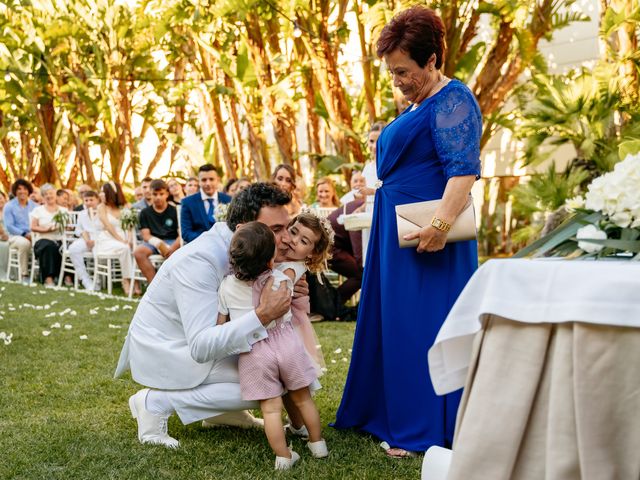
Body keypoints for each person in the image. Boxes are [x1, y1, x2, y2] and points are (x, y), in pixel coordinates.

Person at [333, 6, 482, 456]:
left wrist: (438, 227)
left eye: (403, 70)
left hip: (427, 237)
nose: (397, 80)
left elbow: (463, 173)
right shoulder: (420, 103)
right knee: (395, 323)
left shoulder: (453, 100)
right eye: (392, 71)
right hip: (395, 233)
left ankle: (421, 427)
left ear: (433, 59)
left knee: (421, 326)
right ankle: (386, 411)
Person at [114, 183, 310, 449]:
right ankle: (154, 403)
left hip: (197, 343)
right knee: (274, 374)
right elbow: (201, 345)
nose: (286, 238)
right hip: (169, 349)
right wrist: (263, 314)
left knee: (285, 359)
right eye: (276, 230)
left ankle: (224, 413)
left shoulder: (247, 249)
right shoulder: (200, 260)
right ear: (242, 228)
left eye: (286, 227)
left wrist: (285, 288)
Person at [216, 215, 332, 469]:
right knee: (301, 395)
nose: (292, 241)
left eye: (303, 241)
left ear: (311, 254)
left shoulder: (286, 270)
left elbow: (224, 322)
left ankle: (283, 456)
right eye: (293, 231)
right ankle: (317, 443)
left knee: (271, 408)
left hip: (260, 345)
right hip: (285, 340)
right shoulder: (276, 269)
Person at [134, 179, 180, 282]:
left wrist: (172, 248)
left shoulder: (175, 210)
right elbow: (146, 235)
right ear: (150, 194)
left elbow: (180, 234)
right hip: (153, 242)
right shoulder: (145, 213)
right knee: (138, 252)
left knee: (178, 254)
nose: (158, 197)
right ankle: (154, 286)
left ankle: (174, 286)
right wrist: (159, 244)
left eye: (161, 194)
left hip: (172, 240)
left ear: (167, 194)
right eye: (155, 194)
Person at [94, 182, 136, 295]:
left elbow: (130, 226)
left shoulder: (126, 206)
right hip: (107, 239)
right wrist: (121, 240)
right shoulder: (101, 207)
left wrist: (130, 239)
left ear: (111, 193)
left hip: (125, 238)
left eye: (103, 192)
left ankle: (134, 281)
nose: (100, 195)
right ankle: (127, 280)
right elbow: (108, 226)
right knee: (125, 248)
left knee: (132, 248)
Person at [356, 121, 386, 265]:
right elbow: (366, 198)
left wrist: (372, 191)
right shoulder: (367, 168)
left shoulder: (388, 165)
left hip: (383, 216)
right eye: (371, 141)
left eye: (378, 141)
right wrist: (360, 206)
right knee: (370, 258)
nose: (374, 146)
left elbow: (390, 190)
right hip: (368, 218)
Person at [180, 164, 231, 243]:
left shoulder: (228, 200)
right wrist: (209, 239)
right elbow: (186, 233)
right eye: (204, 180)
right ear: (199, 181)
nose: (208, 183)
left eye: (211, 179)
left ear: (217, 180)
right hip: (199, 246)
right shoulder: (187, 202)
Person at [327, 199, 365, 305]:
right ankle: (332, 306)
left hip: (341, 247)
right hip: (329, 249)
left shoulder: (363, 205)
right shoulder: (358, 210)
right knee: (362, 275)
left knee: (364, 273)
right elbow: (359, 252)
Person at [30, 184, 67, 285]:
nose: (49, 196)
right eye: (46, 194)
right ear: (43, 197)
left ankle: (67, 276)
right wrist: (46, 229)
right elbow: (33, 227)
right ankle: (48, 278)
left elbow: (69, 227)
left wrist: (65, 227)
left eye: (51, 193)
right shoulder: (38, 210)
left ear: (56, 194)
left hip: (60, 239)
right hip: (43, 240)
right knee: (49, 246)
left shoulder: (63, 211)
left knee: (69, 246)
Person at [3, 179, 37, 283]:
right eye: (19, 189)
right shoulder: (9, 206)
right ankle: (24, 275)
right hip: (15, 237)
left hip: (34, 234)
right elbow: (9, 226)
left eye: (25, 189)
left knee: (45, 243)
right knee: (24, 243)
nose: (22, 191)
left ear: (29, 191)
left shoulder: (35, 206)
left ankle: (44, 275)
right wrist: (24, 234)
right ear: (15, 191)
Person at [68, 190, 100, 290]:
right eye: (86, 200)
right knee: (73, 249)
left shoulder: (102, 212)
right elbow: (79, 229)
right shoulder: (82, 214)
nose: (89, 202)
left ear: (97, 200)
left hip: (100, 239)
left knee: (98, 251)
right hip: (86, 239)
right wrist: (87, 240)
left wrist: (95, 240)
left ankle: (98, 279)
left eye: (91, 200)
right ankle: (85, 279)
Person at [0, 191, 9, 279]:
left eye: (0, 198)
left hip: (11, 235)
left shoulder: (10, 211)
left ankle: (9, 273)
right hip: (1, 236)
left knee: (4, 245)